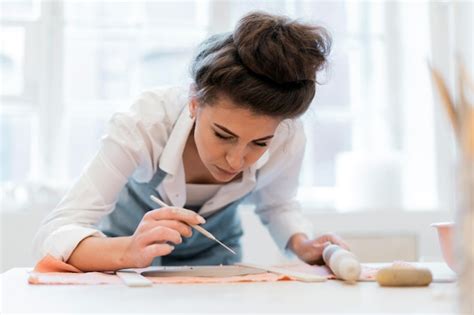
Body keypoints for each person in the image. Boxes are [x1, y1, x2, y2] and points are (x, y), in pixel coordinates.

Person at [34, 12, 350, 272]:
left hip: (217, 267)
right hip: (120, 261)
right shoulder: (144, 124)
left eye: (259, 143)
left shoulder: (287, 136)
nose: (236, 161)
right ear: (194, 102)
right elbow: (54, 232)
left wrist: (302, 243)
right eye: (223, 135)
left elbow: (278, 203)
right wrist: (126, 251)